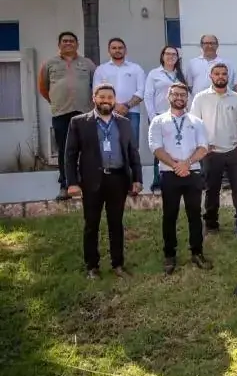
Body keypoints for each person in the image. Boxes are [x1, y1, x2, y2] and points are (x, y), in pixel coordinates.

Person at [64, 83, 143, 279]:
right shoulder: (79, 122)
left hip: (118, 180)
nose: (106, 100)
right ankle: (92, 266)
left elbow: (133, 153)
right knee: (92, 224)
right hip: (92, 181)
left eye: (109, 97)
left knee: (116, 223)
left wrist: (137, 179)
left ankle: (118, 265)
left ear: (114, 100)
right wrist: (72, 182)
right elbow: (70, 155)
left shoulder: (123, 123)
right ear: (94, 98)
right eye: (102, 97)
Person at [147, 83, 213, 274]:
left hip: (192, 173)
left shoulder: (196, 121)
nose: (179, 97)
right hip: (169, 174)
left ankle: (197, 252)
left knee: (194, 215)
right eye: (175, 94)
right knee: (169, 215)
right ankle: (169, 255)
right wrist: (176, 165)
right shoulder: (158, 121)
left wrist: (187, 163)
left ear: (187, 98)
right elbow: (156, 147)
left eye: (183, 95)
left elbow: (203, 147)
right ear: (169, 96)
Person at [189, 62, 237, 233]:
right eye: (217, 74)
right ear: (211, 76)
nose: (221, 76)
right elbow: (194, 123)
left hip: (233, 150)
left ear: (228, 76)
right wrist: (202, 145)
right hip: (210, 152)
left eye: (224, 73)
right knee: (211, 189)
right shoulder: (200, 98)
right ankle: (211, 223)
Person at [38, 31, 96, 201]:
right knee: (64, 150)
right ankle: (65, 184)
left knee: (86, 149)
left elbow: (96, 84)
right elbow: (43, 87)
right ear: (59, 45)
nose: (68, 43)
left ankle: (86, 184)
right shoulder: (49, 64)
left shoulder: (88, 64)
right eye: (64, 41)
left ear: (77, 44)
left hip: (84, 113)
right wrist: (56, 101)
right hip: (61, 113)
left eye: (71, 41)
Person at [145, 46, 187, 192]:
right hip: (159, 117)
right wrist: (152, 117)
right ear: (162, 56)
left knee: (177, 146)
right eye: (167, 54)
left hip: (179, 118)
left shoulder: (181, 74)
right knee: (159, 148)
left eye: (174, 54)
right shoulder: (154, 74)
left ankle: (179, 175)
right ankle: (158, 179)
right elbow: (148, 96)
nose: (171, 57)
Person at [92, 37, 145, 140]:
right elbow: (96, 91)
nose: (117, 50)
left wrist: (126, 106)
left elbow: (141, 91)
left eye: (120, 48)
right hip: (107, 112)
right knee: (110, 145)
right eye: (114, 48)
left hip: (131, 112)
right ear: (109, 50)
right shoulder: (101, 69)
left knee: (132, 146)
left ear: (125, 50)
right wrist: (114, 106)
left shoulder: (136, 68)